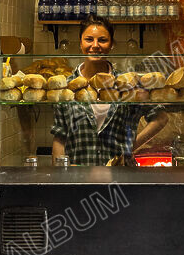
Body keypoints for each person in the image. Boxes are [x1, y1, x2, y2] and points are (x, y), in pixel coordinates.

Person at [51, 16, 168, 166]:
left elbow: (161, 118)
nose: (95, 45)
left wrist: (131, 147)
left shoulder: (126, 83)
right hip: (79, 177)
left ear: (111, 44)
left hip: (120, 176)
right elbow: (59, 138)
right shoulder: (67, 87)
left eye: (102, 40)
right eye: (89, 39)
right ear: (80, 43)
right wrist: (60, 175)